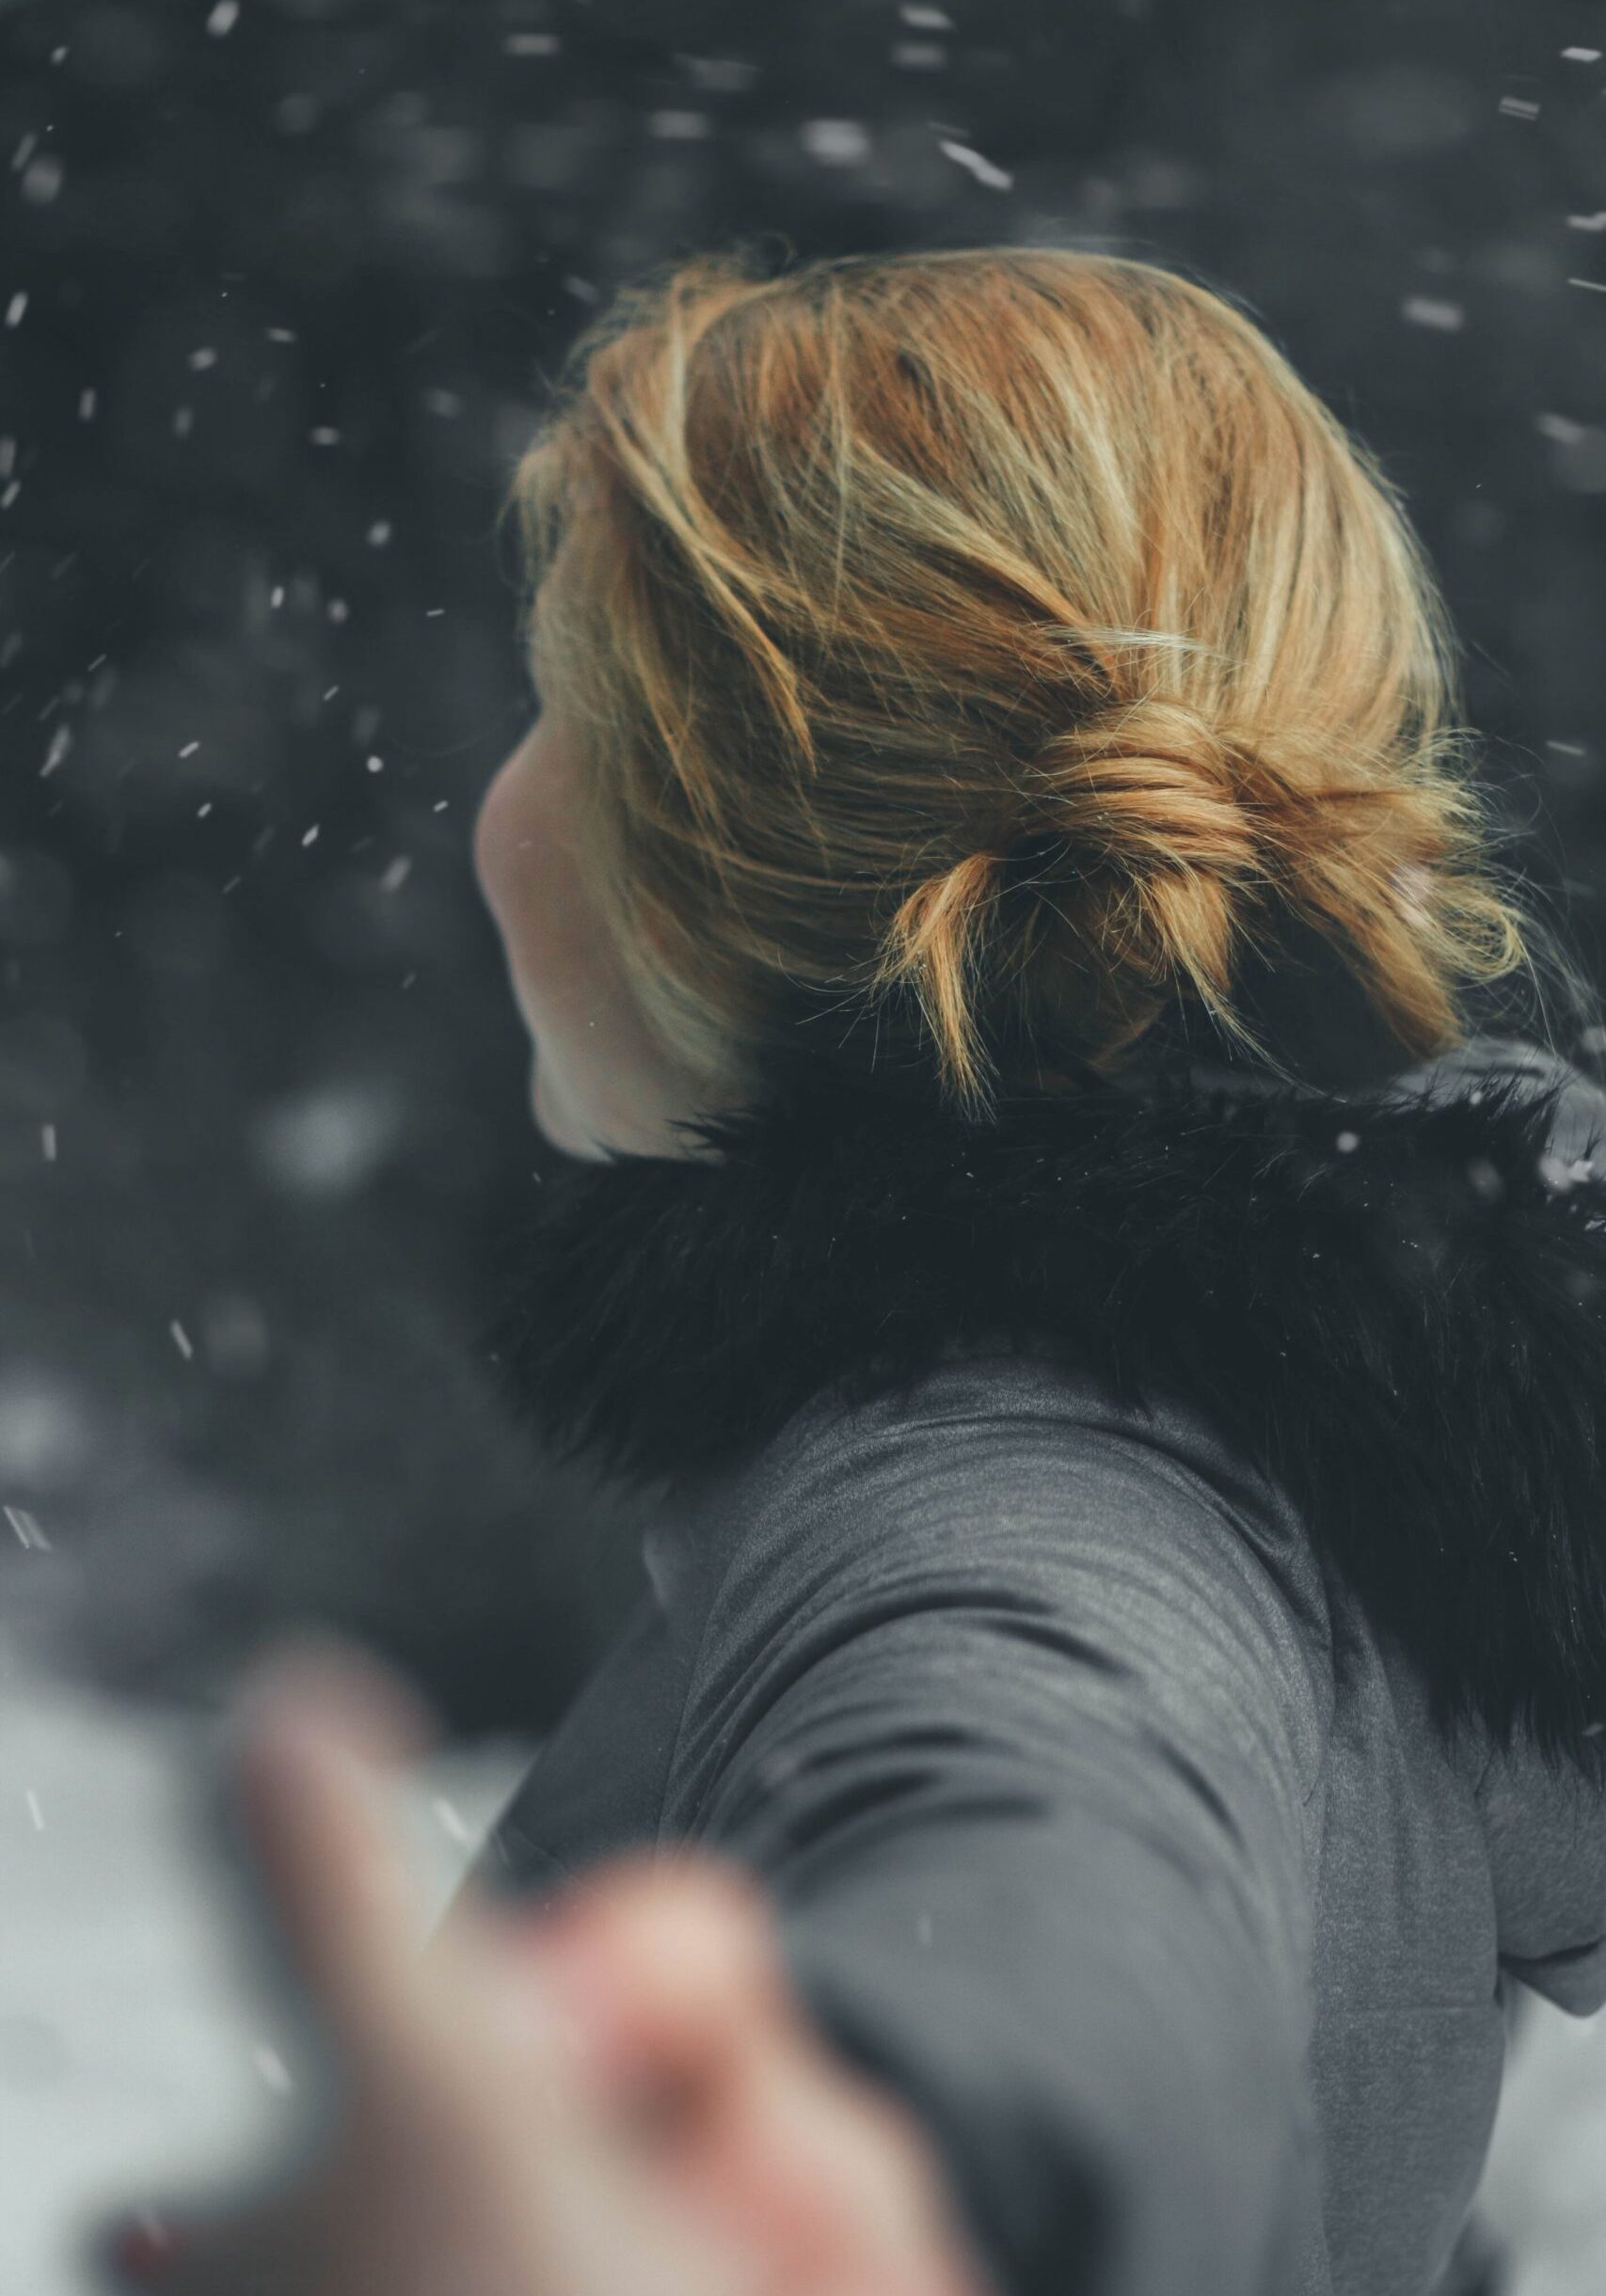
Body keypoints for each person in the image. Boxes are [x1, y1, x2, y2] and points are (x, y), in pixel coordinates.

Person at [95, 246, 1606, 2296]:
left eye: (557, 703)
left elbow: (1048, 1831)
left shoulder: (1015, 1484)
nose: (497, 796)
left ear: (700, 835)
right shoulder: (1308, 1433)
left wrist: (859, 2193)